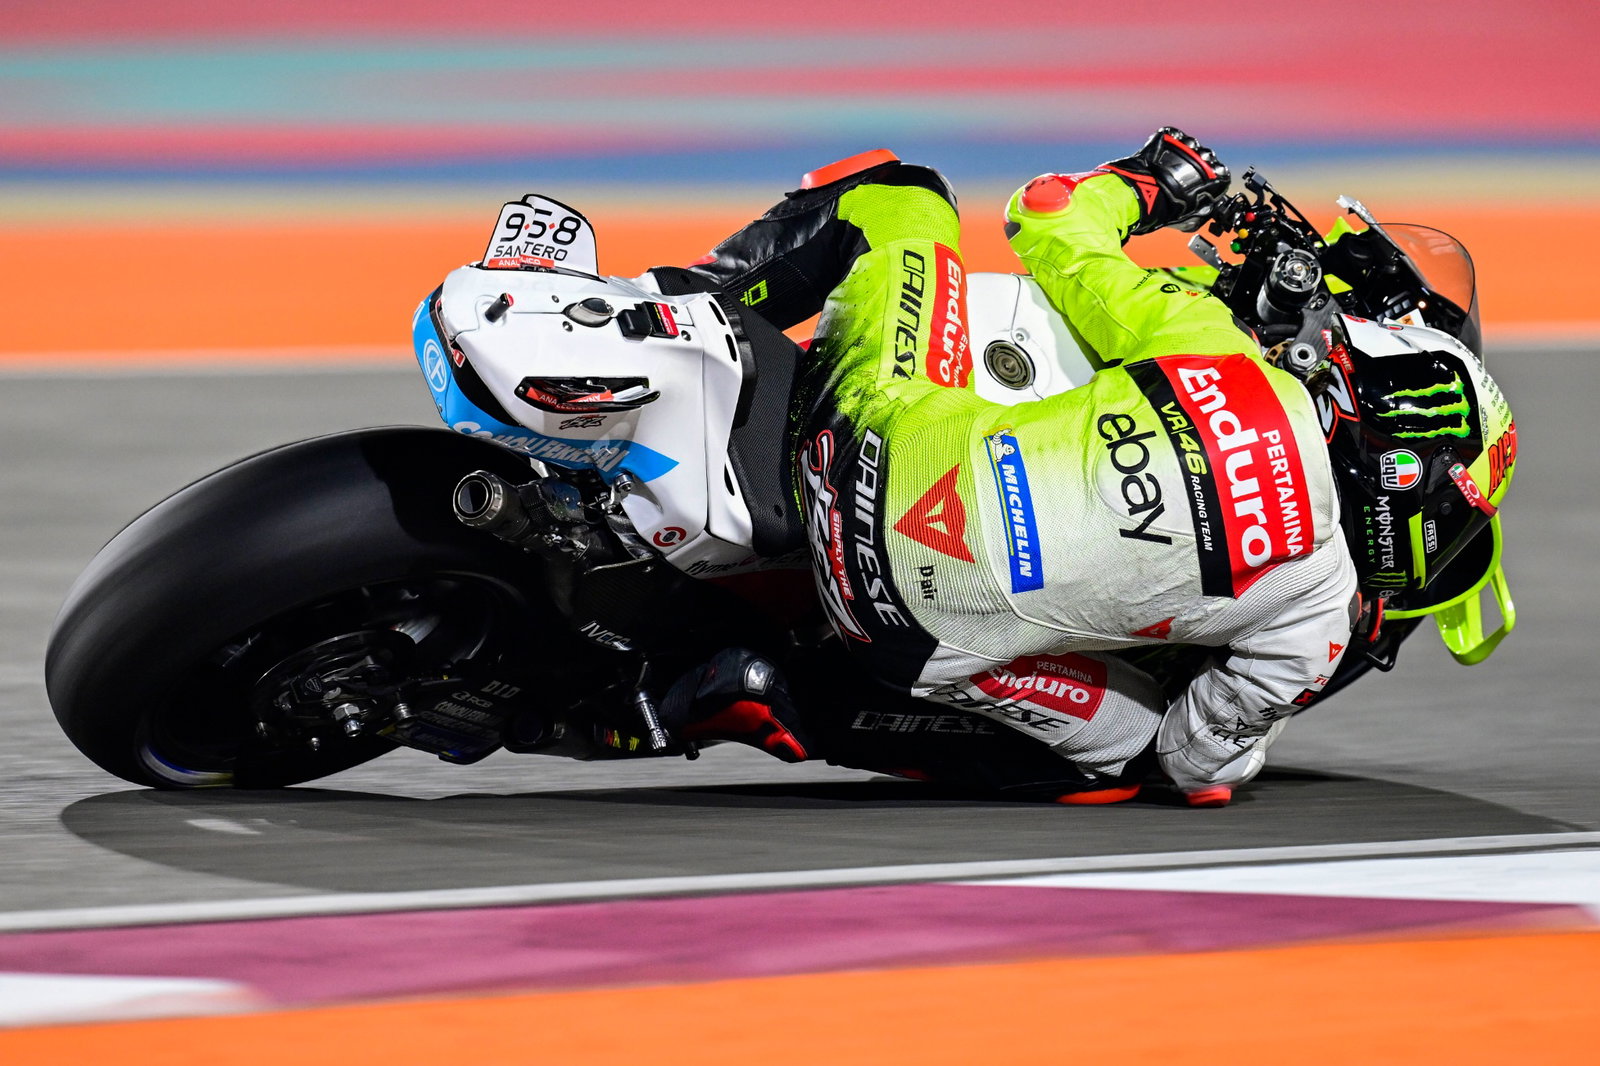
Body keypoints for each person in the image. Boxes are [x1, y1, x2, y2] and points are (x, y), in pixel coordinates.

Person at [654, 130, 1516, 807]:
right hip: (901, 632)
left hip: (867, 445)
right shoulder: (1323, 615)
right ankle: (769, 690)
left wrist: (1152, 180)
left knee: (899, 196)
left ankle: (670, 310)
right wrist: (1252, 728)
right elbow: (1200, 764)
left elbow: (1048, 215)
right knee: (1139, 757)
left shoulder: (1220, 349)